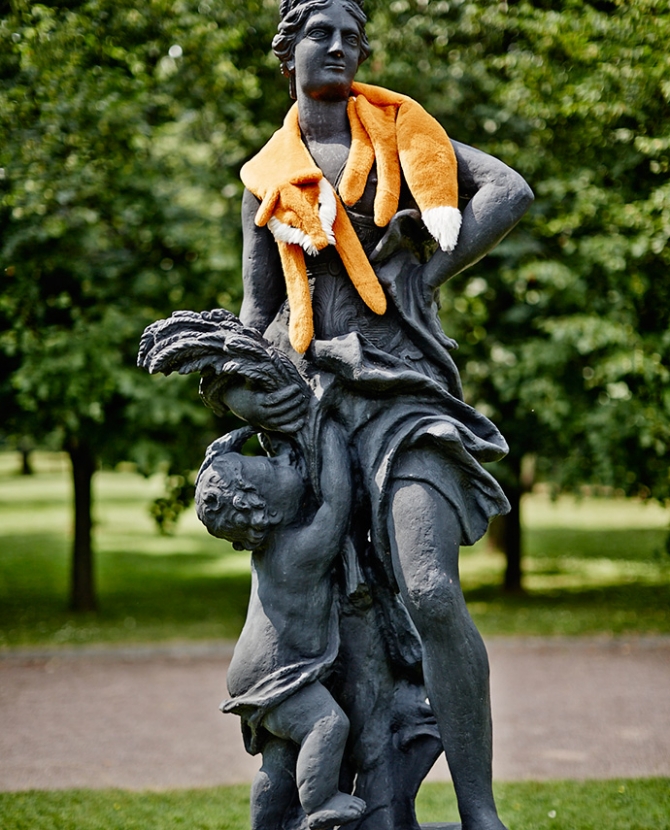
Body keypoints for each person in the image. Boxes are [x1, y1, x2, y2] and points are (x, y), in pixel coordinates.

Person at [218, 1, 535, 828]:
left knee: (429, 590)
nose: (339, 47)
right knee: (340, 613)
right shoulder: (264, 176)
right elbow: (258, 311)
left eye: (352, 38)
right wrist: (242, 392)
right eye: (321, 34)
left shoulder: (400, 132)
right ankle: (368, 800)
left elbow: (508, 189)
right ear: (288, 52)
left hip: (406, 396)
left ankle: (479, 810)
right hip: (314, 409)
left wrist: (424, 275)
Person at [195, 424, 366, 830]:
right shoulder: (301, 550)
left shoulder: (268, 546)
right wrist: (327, 433)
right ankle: (320, 801)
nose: (282, 463)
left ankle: (266, 825)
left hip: (253, 670)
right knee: (327, 723)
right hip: (278, 670)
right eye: (273, 468)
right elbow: (337, 504)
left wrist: (246, 442)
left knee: (280, 759)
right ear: (268, 512)